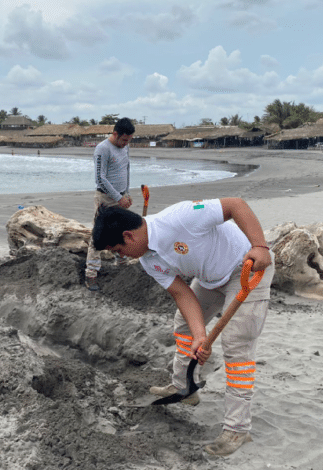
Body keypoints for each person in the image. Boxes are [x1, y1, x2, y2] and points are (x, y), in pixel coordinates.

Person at [92, 198, 275, 457]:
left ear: (128, 236)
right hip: (210, 279)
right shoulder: (148, 260)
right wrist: (200, 335)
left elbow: (236, 205)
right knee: (184, 326)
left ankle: (237, 428)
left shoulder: (182, 217)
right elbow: (183, 294)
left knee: (236, 345)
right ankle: (184, 387)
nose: (121, 257)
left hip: (246, 268)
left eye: (118, 250)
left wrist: (259, 246)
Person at [85, 117, 136, 291]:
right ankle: (91, 274)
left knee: (122, 232)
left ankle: (121, 263)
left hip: (121, 197)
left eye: (128, 140)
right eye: (124, 140)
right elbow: (100, 178)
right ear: (115, 134)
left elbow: (126, 169)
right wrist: (117, 196)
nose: (125, 144)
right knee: (98, 235)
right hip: (105, 198)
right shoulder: (102, 149)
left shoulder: (126, 146)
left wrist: (126, 193)